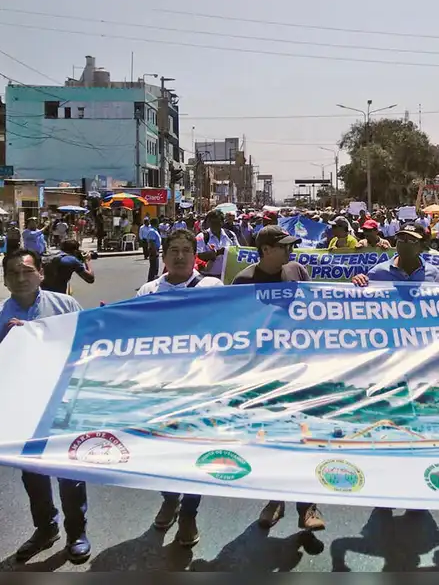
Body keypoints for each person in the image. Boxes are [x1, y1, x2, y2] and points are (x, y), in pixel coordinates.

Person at [0, 249, 90, 563]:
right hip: (22, 406)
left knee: (70, 472)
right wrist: (4, 341)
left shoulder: (66, 306)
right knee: (32, 473)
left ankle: (76, 532)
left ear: (40, 273)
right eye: (13, 273)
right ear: (6, 280)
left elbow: (89, 347)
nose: (21, 278)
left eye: (27, 271)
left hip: (64, 403)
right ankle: (45, 529)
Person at [231, 227, 321, 530]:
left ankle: (308, 506)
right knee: (269, 439)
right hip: (263, 375)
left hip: (299, 369)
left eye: (292, 245)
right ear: (266, 250)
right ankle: (274, 499)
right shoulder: (243, 282)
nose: (290, 251)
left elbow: (317, 307)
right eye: (284, 247)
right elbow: (235, 328)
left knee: (303, 436)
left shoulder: (297, 271)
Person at [136, 230, 222, 545]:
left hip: (201, 386)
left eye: (187, 250)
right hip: (159, 387)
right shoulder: (148, 291)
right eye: (174, 250)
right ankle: (170, 497)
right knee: (161, 450)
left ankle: (189, 513)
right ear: (164, 254)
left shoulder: (212, 287)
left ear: (195, 254)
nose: (180, 256)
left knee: (195, 449)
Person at [352, 224, 439, 284]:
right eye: (401, 239)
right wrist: (358, 282)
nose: (405, 244)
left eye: (412, 240)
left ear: (422, 246)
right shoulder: (378, 273)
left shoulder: (435, 275)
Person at [196, 210, 238, 279]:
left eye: (217, 223)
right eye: (211, 223)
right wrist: (217, 253)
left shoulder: (231, 235)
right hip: (207, 277)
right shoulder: (201, 237)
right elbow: (197, 257)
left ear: (222, 222)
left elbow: (238, 251)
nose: (214, 225)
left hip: (226, 277)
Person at [145, 218, 163, 283]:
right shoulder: (152, 231)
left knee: (155, 267)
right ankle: (151, 281)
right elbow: (151, 242)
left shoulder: (154, 230)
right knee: (153, 267)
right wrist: (155, 252)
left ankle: (153, 280)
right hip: (153, 250)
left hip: (155, 250)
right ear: (155, 223)